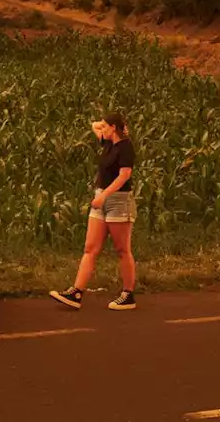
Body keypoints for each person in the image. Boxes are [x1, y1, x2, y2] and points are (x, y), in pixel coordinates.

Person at [49, 113, 138, 311]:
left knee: (122, 249)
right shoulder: (107, 143)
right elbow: (94, 125)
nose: (102, 129)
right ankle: (76, 292)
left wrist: (104, 196)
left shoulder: (125, 147)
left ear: (114, 128)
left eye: (106, 126)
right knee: (90, 247)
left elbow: (124, 176)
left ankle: (128, 294)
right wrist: (108, 125)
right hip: (101, 198)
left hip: (118, 200)